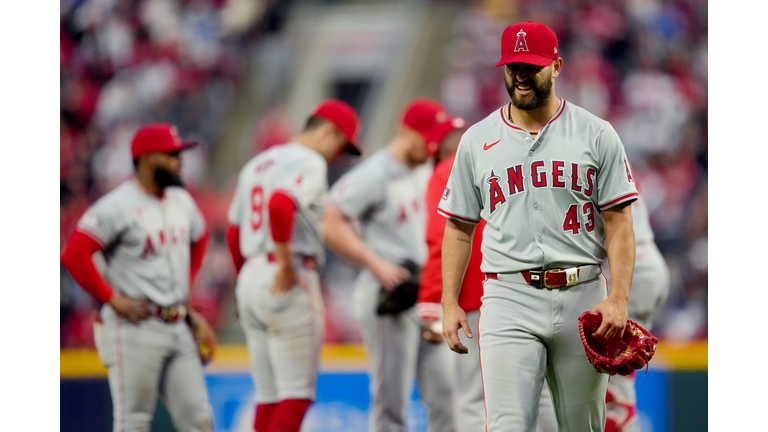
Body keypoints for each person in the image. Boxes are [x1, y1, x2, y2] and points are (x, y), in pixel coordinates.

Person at [439, 21, 638, 432]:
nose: (520, 75)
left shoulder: (596, 133)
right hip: (508, 295)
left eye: (531, 65)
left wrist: (619, 298)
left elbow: (619, 222)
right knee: (508, 425)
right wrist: (448, 301)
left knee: (583, 426)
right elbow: (458, 226)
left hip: (583, 294)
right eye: (513, 66)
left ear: (556, 66)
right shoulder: (476, 140)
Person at [60, 123, 214, 432]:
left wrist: (187, 290)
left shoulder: (181, 200)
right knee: (134, 423)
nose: (179, 161)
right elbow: (74, 253)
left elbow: (200, 236)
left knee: (199, 419)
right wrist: (111, 299)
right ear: (146, 159)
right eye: (171, 154)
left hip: (177, 324)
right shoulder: (117, 205)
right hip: (135, 326)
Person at [225, 99, 362, 432]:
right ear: (328, 132)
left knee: (269, 397)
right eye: (341, 146)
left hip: (252, 275)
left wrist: (246, 277)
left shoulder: (257, 164)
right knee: (297, 395)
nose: (339, 156)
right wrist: (285, 265)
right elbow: (280, 204)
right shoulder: (309, 161)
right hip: (287, 274)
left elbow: (233, 231)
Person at [417, 117, 559, 432]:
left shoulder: (447, 170)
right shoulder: (512, 162)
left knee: (474, 396)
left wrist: (432, 302)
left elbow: (441, 239)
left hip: (475, 298)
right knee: (542, 390)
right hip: (531, 289)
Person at [322, 98, 455, 432]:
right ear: (407, 132)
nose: (433, 146)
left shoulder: (426, 168)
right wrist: (375, 263)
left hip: (426, 294)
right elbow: (330, 220)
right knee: (391, 402)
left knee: (447, 394)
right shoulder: (375, 172)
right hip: (390, 295)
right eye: (427, 138)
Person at [604, 193, 670, 432]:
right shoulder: (620, 171)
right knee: (618, 380)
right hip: (649, 260)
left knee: (612, 392)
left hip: (629, 269)